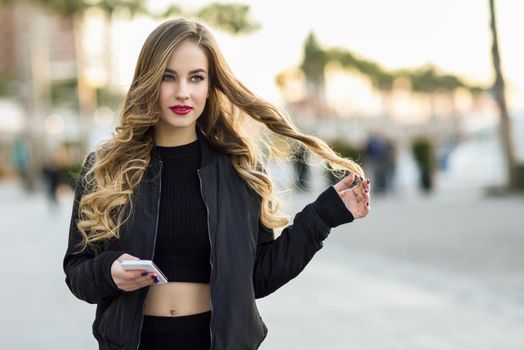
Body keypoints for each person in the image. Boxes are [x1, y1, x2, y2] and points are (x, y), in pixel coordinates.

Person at [63, 18, 371, 350]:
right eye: (168, 76)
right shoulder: (108, 167)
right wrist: (109, 271)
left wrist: (322, 216)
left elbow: (257, 277)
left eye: (196, 78)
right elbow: (77, 272)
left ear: (210, 85)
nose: (183, 91)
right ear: (148, 80)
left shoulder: (238, 167)